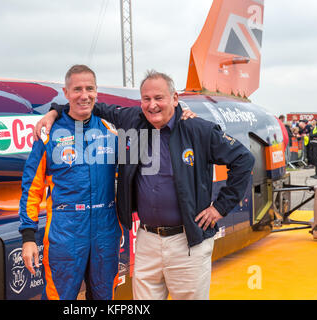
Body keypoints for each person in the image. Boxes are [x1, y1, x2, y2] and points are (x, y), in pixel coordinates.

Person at [36, 70, 255, 300]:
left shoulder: (197, 130)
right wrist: (54, 111)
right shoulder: (133, 121)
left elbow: (244, 160)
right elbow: (89, 105)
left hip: (187, 242)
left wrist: (220, 207)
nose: (152, 105)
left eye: (159, 98)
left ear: (175, 98)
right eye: (146, 99)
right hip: (147, 240)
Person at [18, 64, 123, 300]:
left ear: (97, 91)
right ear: (66, 93)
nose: (84, 95)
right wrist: (28, 238)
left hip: (105, 230)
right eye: (77, 89)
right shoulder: (48, 133)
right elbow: (31, 189)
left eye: (89, 89)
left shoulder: (111, 131)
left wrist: (183, 116)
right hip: (66, 232)